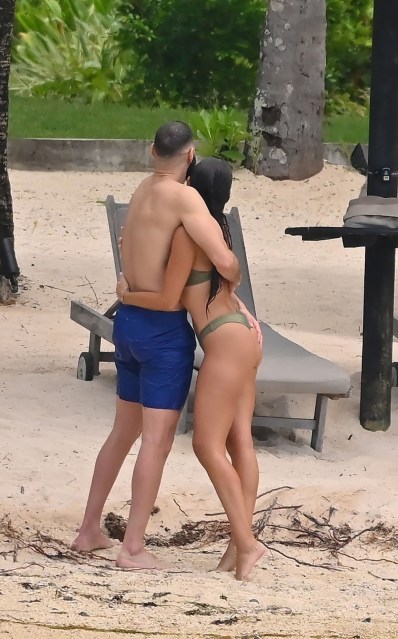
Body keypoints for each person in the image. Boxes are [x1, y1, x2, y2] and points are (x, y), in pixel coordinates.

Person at [72, 122, 241, 571]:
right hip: (163, 332)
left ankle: (90, 529)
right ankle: (132, 548)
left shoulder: (143, 189)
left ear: (152, 151)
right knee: (157, 441)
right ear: (190, 157)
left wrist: (128, 291)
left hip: (126, 324)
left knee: (122, 431)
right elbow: (226, 262)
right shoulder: (185, 198)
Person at [116, 158, 266, 581]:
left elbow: (166, 299)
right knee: (241, 445)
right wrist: (236, 298)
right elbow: (228, 274)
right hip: (243, 336)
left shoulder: (186, 235)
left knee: (206, 446)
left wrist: (127, 294)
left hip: (223, 342)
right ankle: (236, 552)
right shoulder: (219, 230)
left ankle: (248, 544)